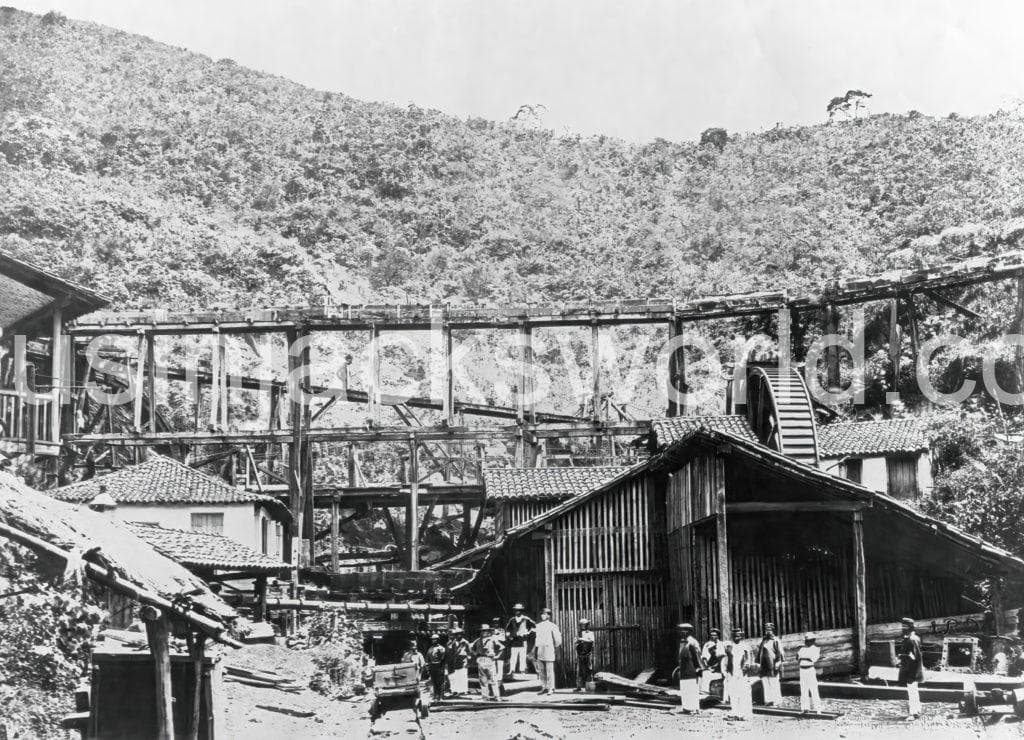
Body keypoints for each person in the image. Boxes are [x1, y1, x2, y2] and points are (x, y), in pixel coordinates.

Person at [674, 623, 705, 714]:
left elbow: (698, 656)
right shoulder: (682, 642)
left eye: (684, 630)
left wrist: (698, 668)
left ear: (689, 631)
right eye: (681, 630)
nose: (682, 632)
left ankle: (693, 708)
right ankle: (687, 707)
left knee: (691, 687)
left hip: (691, 669)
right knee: (685, 687)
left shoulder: (692, 642)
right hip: (684, 669)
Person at [723, 627, 752, 721]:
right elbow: (726, 660)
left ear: (741, 636)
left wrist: (745, 668)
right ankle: (735, 712)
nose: (737, 637)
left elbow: (748, 660)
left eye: (738, 636)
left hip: (741, 673)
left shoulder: (745, 647)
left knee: (742, 693)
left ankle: (743, 714)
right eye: (735, 636)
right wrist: (727, 671)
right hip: (732, 673)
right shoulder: (729, 647)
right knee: (733, 693)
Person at [898, 617, 924, 721]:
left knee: (912, 692)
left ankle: (913, 713)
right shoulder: (911, 638)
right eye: (902, 626)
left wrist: (912, 674)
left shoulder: (912, 640)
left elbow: (915, 657)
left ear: (910, 627)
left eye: (905, 626)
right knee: (914, 690)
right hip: (910, 668)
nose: (903, 628)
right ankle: (917, 710)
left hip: (911, 670)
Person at [532, 607, 562, 694]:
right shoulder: (539, 625)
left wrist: (556, 650)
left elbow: (557, 640)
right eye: (542, 614)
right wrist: (535, 650)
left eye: (545, 614)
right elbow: (537, 639)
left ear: (548, 615)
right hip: (540, 649)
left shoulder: (553, 626)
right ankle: (544, 686)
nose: (543, 615)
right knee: (541, 670)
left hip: (549, 649)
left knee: (549, 670)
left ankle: (551, 688)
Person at [471, 623, 503, 700]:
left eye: (486, 631)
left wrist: (497, 656)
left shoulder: (492, 639)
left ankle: (497, 696)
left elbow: (501, 647)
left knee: (493, 679)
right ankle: (485, 696)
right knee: (483, 680)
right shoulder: (478, 640)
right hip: (481, 660)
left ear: (488, 632)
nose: (484, 632)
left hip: (489, 659)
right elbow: (471, 647)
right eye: (482, 631)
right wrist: (475, 653)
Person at [755, 622, 783, 706]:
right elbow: (759, 652)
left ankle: (776, 701)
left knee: (773, 683)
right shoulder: (763, 640)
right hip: (764, 665)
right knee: (765, 683)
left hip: (772, 665)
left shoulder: (776, 640)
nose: (768, 631)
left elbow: (780, 653)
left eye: (769, 630)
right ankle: (768, 700)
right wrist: (757, 663)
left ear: (773, 630)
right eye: (766, 630)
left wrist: (778, 662)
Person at [505, 603, 536, 675]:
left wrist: (528, 632)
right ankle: (512, 670)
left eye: (519, 610)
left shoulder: (526, 619)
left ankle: (522, 670)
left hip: (523, 640)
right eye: (516, 610)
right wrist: (509, 636)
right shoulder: (512, 620)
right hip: (514, 641)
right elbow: (507, 630)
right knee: (513, 656)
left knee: (522, 656)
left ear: (522, 611)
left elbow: (534, 626)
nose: (517, 611)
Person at [797, 632, 821, 713]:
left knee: (813, 689)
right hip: (802, 670)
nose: (807, 642)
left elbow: (812, 659)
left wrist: (803, 657)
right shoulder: (802, 649)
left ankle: (818, 709)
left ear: (813, 641)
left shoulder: (816, 649)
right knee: (803, 690)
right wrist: (804, 657)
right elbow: (798, 659)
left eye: (809, 640)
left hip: (810, 670)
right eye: (806, 641)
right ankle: (805, 708)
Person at [700, 627, 725, 694]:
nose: (713, 637)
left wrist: (717, 666)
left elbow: (723, 657)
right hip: (710, 665)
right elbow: (704, 657)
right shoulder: (707, 644)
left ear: (718, 636)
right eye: (712, 635)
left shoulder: (722, 644)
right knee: (706, 674)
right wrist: (707, 667)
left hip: (720, 666)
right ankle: (705, 691)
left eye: (715, 635)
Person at [447, 627, 470, 696]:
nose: (457, 636)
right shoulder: (453, 642)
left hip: (463, 661)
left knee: (462, 676)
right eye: (456, 634)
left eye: (459, 634)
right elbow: (450, 651)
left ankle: (463, 690)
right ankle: (456, 690)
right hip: (455, 661)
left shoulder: (465, 642)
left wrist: (467, 660)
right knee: (456, 676)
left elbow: (469, 652)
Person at [574, 618, 596, 691]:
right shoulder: (578, 633)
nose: (583, 626)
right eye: (581, 624)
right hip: (580, 654)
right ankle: (579, 686)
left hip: (588, 654)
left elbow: (592, 640)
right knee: (579, 671)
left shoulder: (590, 633)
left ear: (587, 625)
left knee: (589, 670)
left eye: (584, 624)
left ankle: (589, 687)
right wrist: (576, 641)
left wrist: (582, 639)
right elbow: (575, 642)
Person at [426, 633, 447, 700]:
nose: (433, 640)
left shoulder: (441, 648)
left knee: (440, 682)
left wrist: (442, 668)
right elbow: (428, 658)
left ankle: (441, 696)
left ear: (438, 640)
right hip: (432, 666)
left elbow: (443, 659)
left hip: (439, 666)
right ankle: (435, 696)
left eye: (435, 639)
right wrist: (428, 667)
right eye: (432, 639)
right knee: (434, 682)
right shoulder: (430, 648)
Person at [491, 617, 508, 682]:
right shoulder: (491, 630)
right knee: (493, 663)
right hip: (493, 648)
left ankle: (500, 678)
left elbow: (503, 639)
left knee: (500, 663)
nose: (496, 624)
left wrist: (496, 636)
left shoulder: (502, 630)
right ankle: (494, 677)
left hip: (500, 648)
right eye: (494, 623)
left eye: (497, 623)